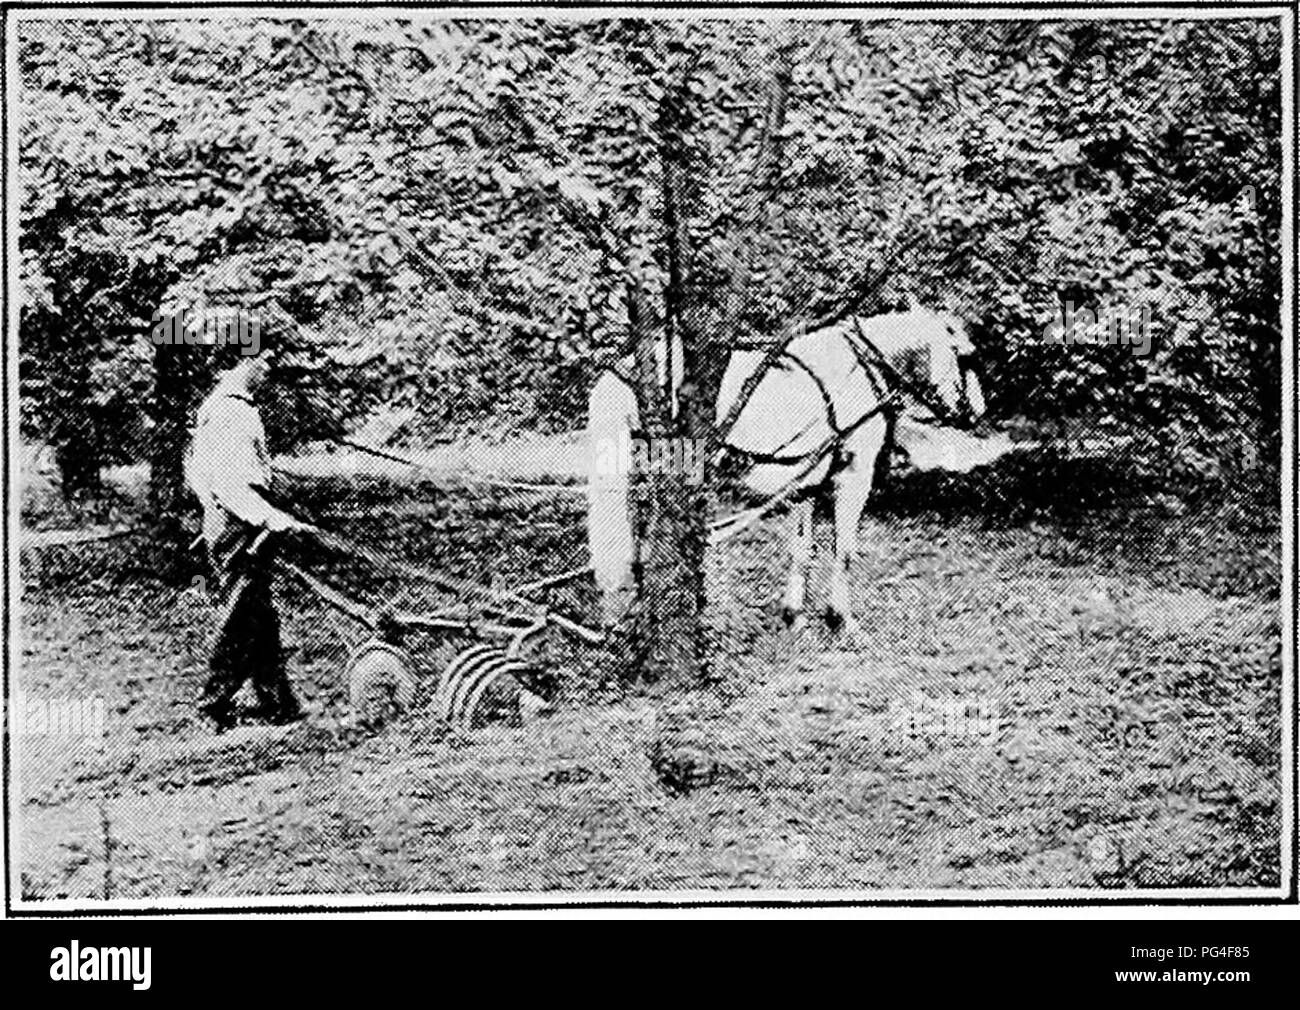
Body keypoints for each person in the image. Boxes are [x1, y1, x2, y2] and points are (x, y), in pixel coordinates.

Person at [185, 336, 313, 732]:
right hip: (238, 525)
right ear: (243, 362)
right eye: (263, 359)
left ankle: (279, 703)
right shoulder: (231, 413)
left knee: (259, 616)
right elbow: (231, 483)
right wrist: (269, 517)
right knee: (242, 618)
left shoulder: (217, 408)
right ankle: (212, 704)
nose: (268, 368)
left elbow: (195, 470)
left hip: (229, 521)